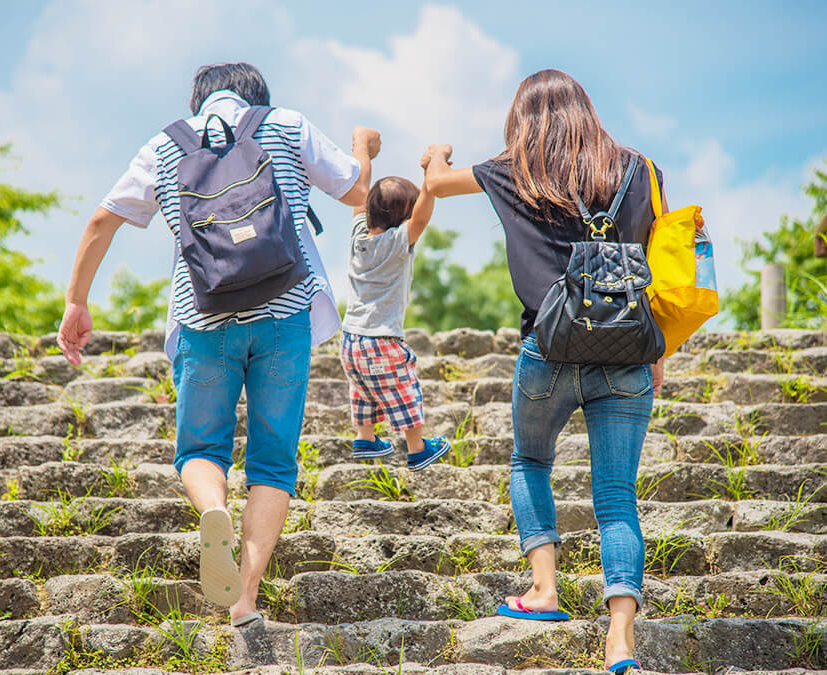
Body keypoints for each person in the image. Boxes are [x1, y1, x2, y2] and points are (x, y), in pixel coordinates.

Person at [57, 62, 380, 627]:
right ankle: (245, 600)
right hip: (284, 315)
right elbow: (360, 192)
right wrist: (362, 146)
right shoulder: (285, 125)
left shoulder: (164, 145)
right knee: (273, 464)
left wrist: (76, 302)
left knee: (200, 451)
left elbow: (100, 222)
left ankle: (214, 511)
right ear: (259, 96)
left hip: (204, 318)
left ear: (198, 101)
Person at [420, 69, 672, 673]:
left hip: (549, 347)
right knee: (617, 499)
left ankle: (544, 591)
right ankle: (620, 642)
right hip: (629, 352)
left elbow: (434, 182)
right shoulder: (643, 171)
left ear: (523, 120)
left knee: (530, 461)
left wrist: (437, 153)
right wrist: (658, 355)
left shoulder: (514, 170)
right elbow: (661, 267)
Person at [339, 166, 451, 470]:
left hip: (350, 341)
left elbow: (358, 194)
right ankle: (417, 449)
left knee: (363, 391)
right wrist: (431, 175)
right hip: (381, 340)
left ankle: (366, 438)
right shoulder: (398, 242)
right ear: (404, 217)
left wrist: (362, 148)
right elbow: (422, 218)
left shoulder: (357, 235)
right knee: (404, 388)